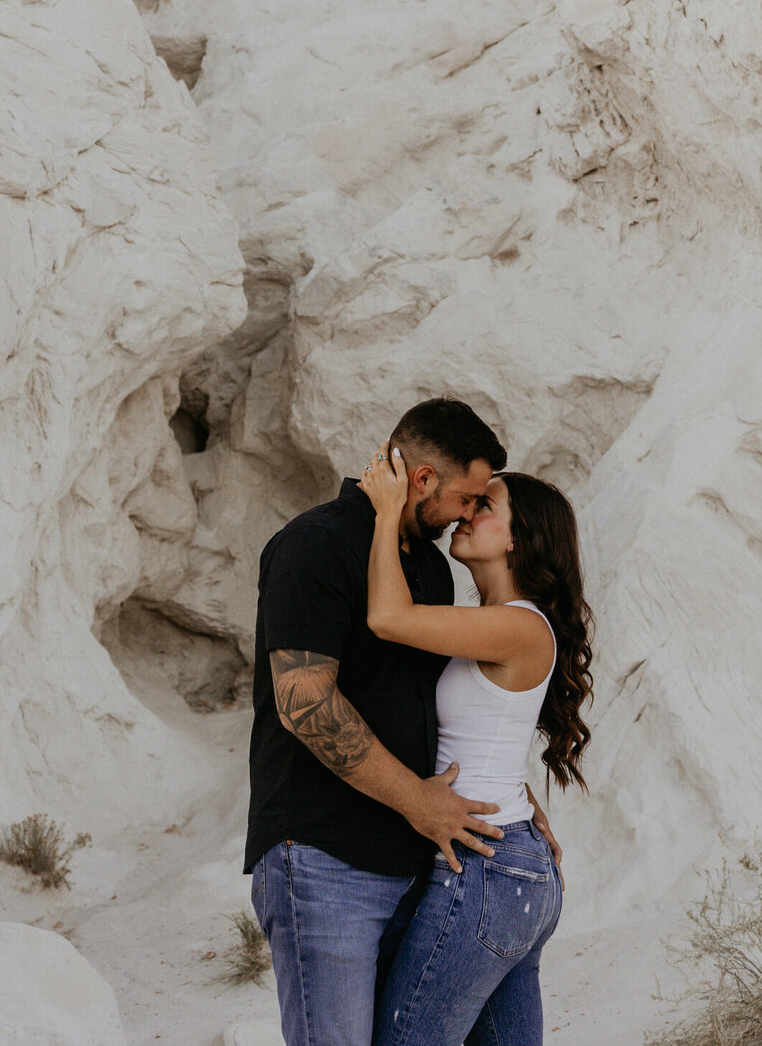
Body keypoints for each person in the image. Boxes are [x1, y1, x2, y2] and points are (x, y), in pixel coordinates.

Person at [245, 397, 562, 1046]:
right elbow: (304, 702)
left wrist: (513, 794)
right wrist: (418, 799)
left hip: (414, 861)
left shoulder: (426, 568)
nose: (470, 513)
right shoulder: (317, 545)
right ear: (423, 482)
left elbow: (436, 706)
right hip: (323, 859)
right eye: (469, 498)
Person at [359, 443, 593, 1046]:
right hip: (510, 865)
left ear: (519, 539)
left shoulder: (518, 624)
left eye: (484, 506)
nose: (464, 515)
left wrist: (387, 512)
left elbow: (387, 617)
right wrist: (521, 799)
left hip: (487, 870)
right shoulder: (500, 621)